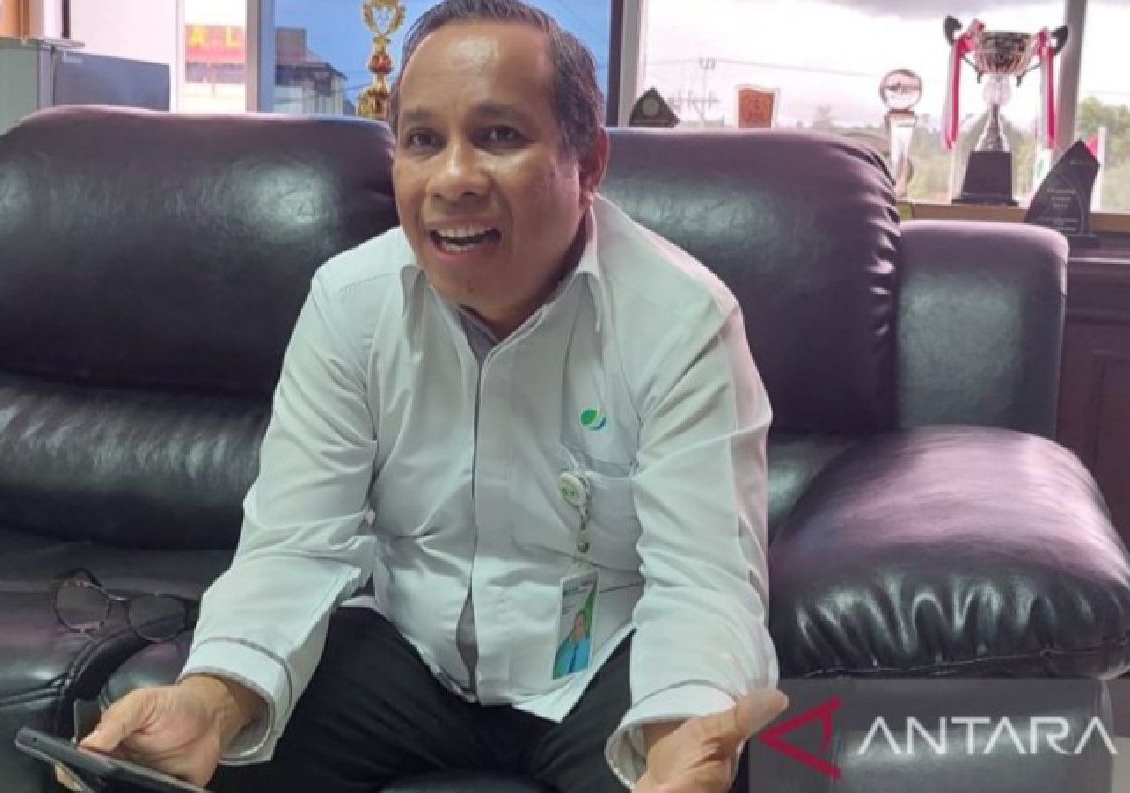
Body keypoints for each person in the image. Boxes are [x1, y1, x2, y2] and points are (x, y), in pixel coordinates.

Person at [71, 1, 787, 791]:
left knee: (702, 767)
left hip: (597, 666)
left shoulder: (681, 319)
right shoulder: (351, 303)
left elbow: (702, 580)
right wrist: (210, 701)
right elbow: (296, 543)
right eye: (422, 140)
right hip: (412, 654)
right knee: (215, 755)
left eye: (499, 135)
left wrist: (681, 734)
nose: (453, 178)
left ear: (587, 164)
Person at [555, 610, 593, 679]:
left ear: (585, 626)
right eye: (575, 625)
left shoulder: (588, 644)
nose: (576, 628)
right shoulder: (567, 642)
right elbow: (557, 660)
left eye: (580, 624)